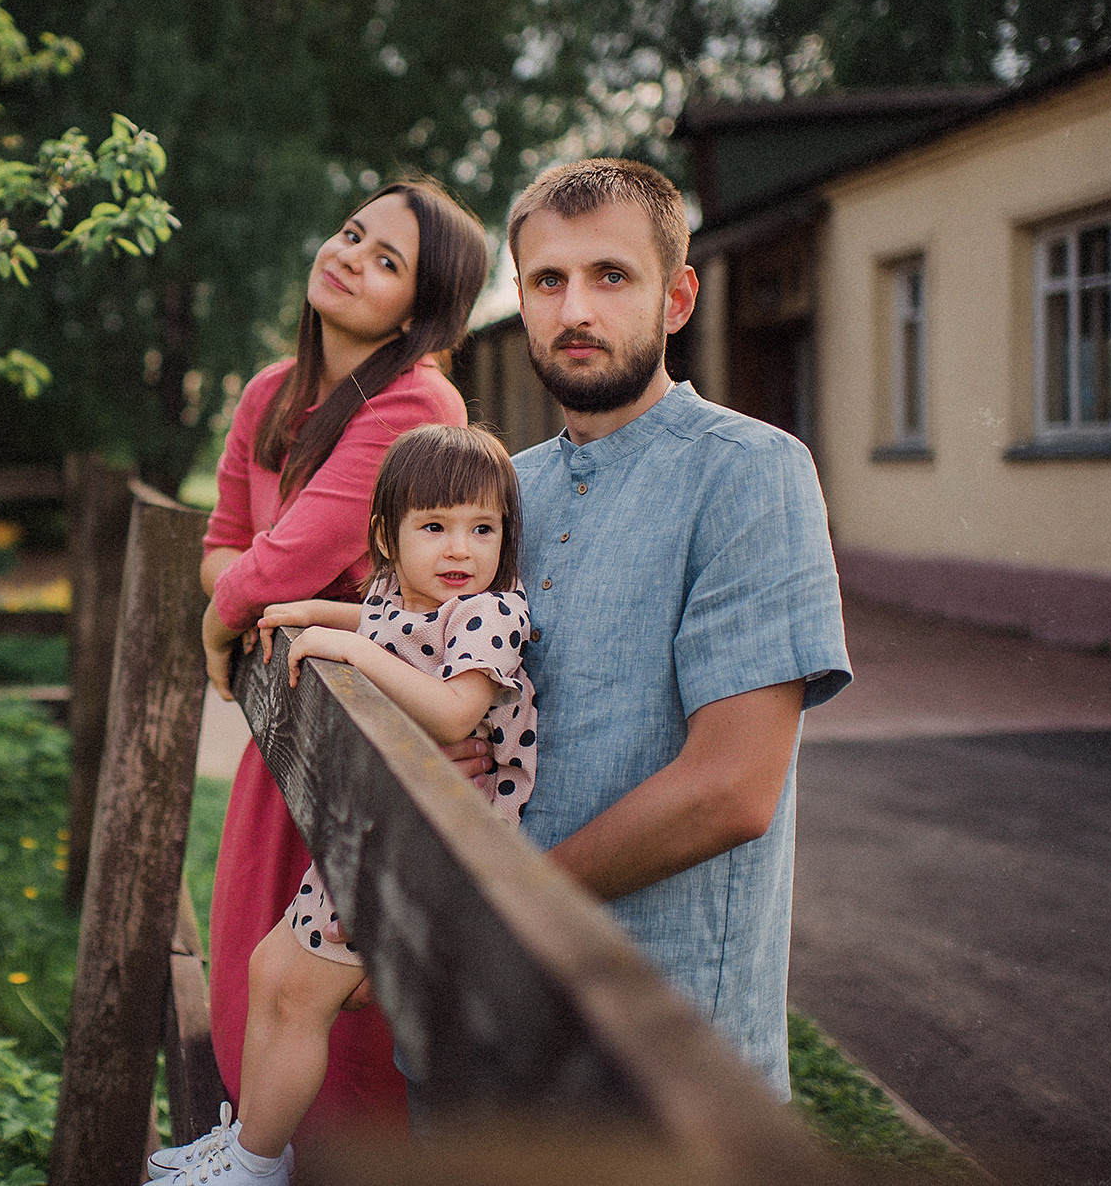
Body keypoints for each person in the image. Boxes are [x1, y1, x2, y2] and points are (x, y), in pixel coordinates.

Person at [505, 157, 851, 1098]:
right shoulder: (509, 488)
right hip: (494, 1040)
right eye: (549, 280)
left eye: (610, 275)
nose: (576, 308)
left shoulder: (750, 473)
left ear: (678, 298)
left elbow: (732, 788)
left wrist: (501, 905)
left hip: (670, 1066)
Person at [158, 424, 535, 1185]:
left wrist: (352, 651)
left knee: (300, 993)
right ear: (388, 540)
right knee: (271, 968)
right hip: (381, 833)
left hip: (430, 855)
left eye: (482, 528)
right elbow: (380, 622)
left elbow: (457, 709)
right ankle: (247, 1145)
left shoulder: (489, 612)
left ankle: (256, 1166)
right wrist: (307, 610)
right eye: (435, 527)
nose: (460, 549)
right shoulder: (417, 601)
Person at [199, 177, 492, 1138]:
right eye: (351, 232)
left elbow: (288, 555)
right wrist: (239, 591)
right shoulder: (267, 396)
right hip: (291, 726)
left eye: (386, 260)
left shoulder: (419, 399)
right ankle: (252, 1156)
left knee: (339, 1017)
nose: (349, 256)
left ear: (421, 307)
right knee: (251, 976)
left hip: (376, 743)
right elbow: (221, 546)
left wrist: (222, 619)